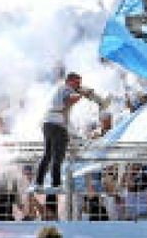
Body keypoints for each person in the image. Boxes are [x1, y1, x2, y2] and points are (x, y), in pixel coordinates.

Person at [37, 72, 105, 212]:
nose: (79, 85)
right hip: (57, 125)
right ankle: (56, 184)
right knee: (58, 156)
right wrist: (82, 93)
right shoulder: (66, 88)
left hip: (48, 123)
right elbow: (69, 100)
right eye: (77, 83)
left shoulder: (60, 88)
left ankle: (39, 182)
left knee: (47, 155)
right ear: (70, 81)